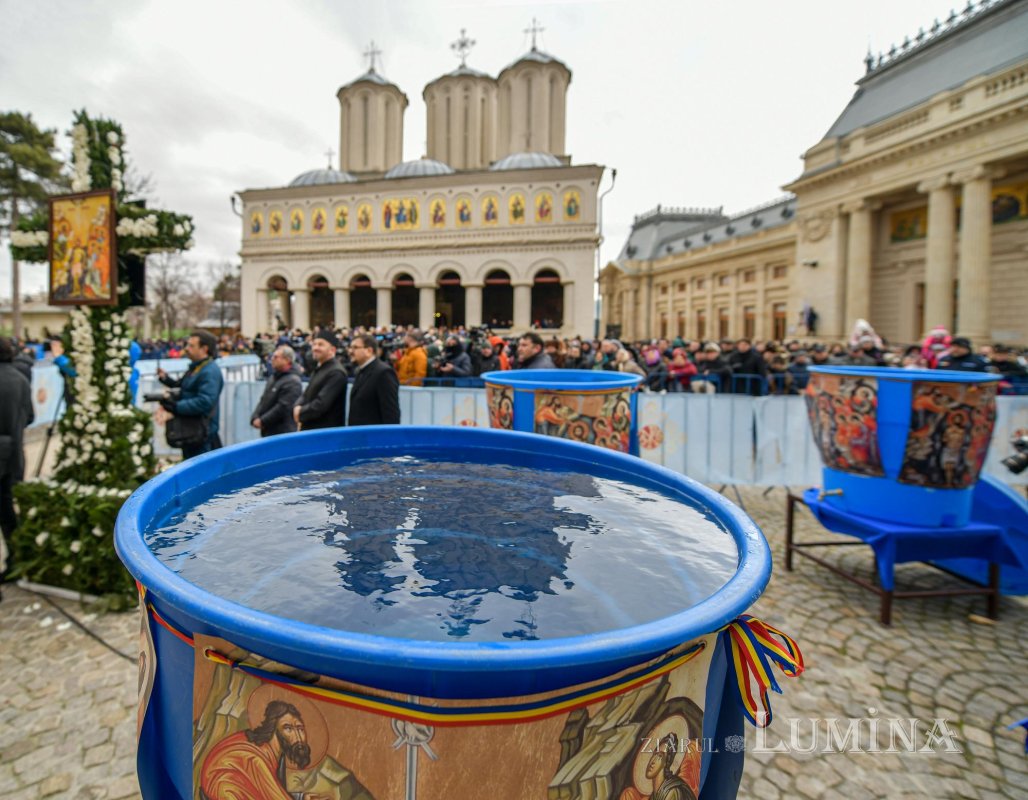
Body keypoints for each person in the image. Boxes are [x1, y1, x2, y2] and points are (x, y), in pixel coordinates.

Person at [199, 700, 334, 800]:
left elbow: (267, 792)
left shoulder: (274, 754)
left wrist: (300, 798)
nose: (298, 737)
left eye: (300, 729)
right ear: (274, 729)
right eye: (288, 729)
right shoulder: (256, 759)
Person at [158, 331, 224, 460]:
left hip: (202, 432)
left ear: (204, 349)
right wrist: (166, 379)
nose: (186, 349)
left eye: (191, 346)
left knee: (202, 473)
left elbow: (205, 401)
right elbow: (183, 386)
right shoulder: (196, 368)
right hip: (192, 430)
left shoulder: (210, 371)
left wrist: (176, 406)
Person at [0, 337, 34, 584]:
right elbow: (30, 416)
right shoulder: (20, 378)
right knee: (7, 511)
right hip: (14, 455)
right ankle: (15, 559)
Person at [293, 330, 348, 430]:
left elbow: (321, 405)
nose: (315, 348)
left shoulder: (336, 372)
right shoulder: (319, 368)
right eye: (314, 344)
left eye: (321, 345)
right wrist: (297, 407)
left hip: (325, 433)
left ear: (332, 350)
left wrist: (300, 412)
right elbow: (306, 394)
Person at [347, 332, 400, 426]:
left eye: (355, 347)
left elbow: (391, 413)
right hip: (360, 435)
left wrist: (390, 438)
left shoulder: (384, 373)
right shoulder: (360, 371)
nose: (350, 351)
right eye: (350, 347)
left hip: (374, 437)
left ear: (369, 351)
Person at [250, 346, 303, 437]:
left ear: (287, 360)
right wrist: (255, 417)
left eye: (276, 357)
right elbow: (263, 400)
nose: (272, 359)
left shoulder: (293, 381)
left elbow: (283, 407)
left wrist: (262, 421)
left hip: (282, 432)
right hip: (269, 430)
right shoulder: (273, 378)